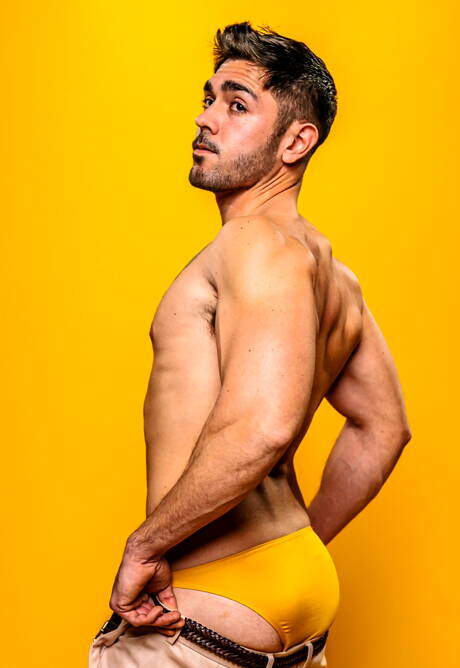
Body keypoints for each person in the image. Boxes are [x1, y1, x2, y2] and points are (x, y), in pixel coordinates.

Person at [89, 20, 411, 668]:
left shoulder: (253, 243)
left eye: (237, 105)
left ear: (297, 141)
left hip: (206, 602)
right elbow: (385, 428)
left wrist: (145, 547)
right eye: (209, 98)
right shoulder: (334, 276)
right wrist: (294, 549)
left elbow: (263, 424)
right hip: (293, 587)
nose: (206, 118)